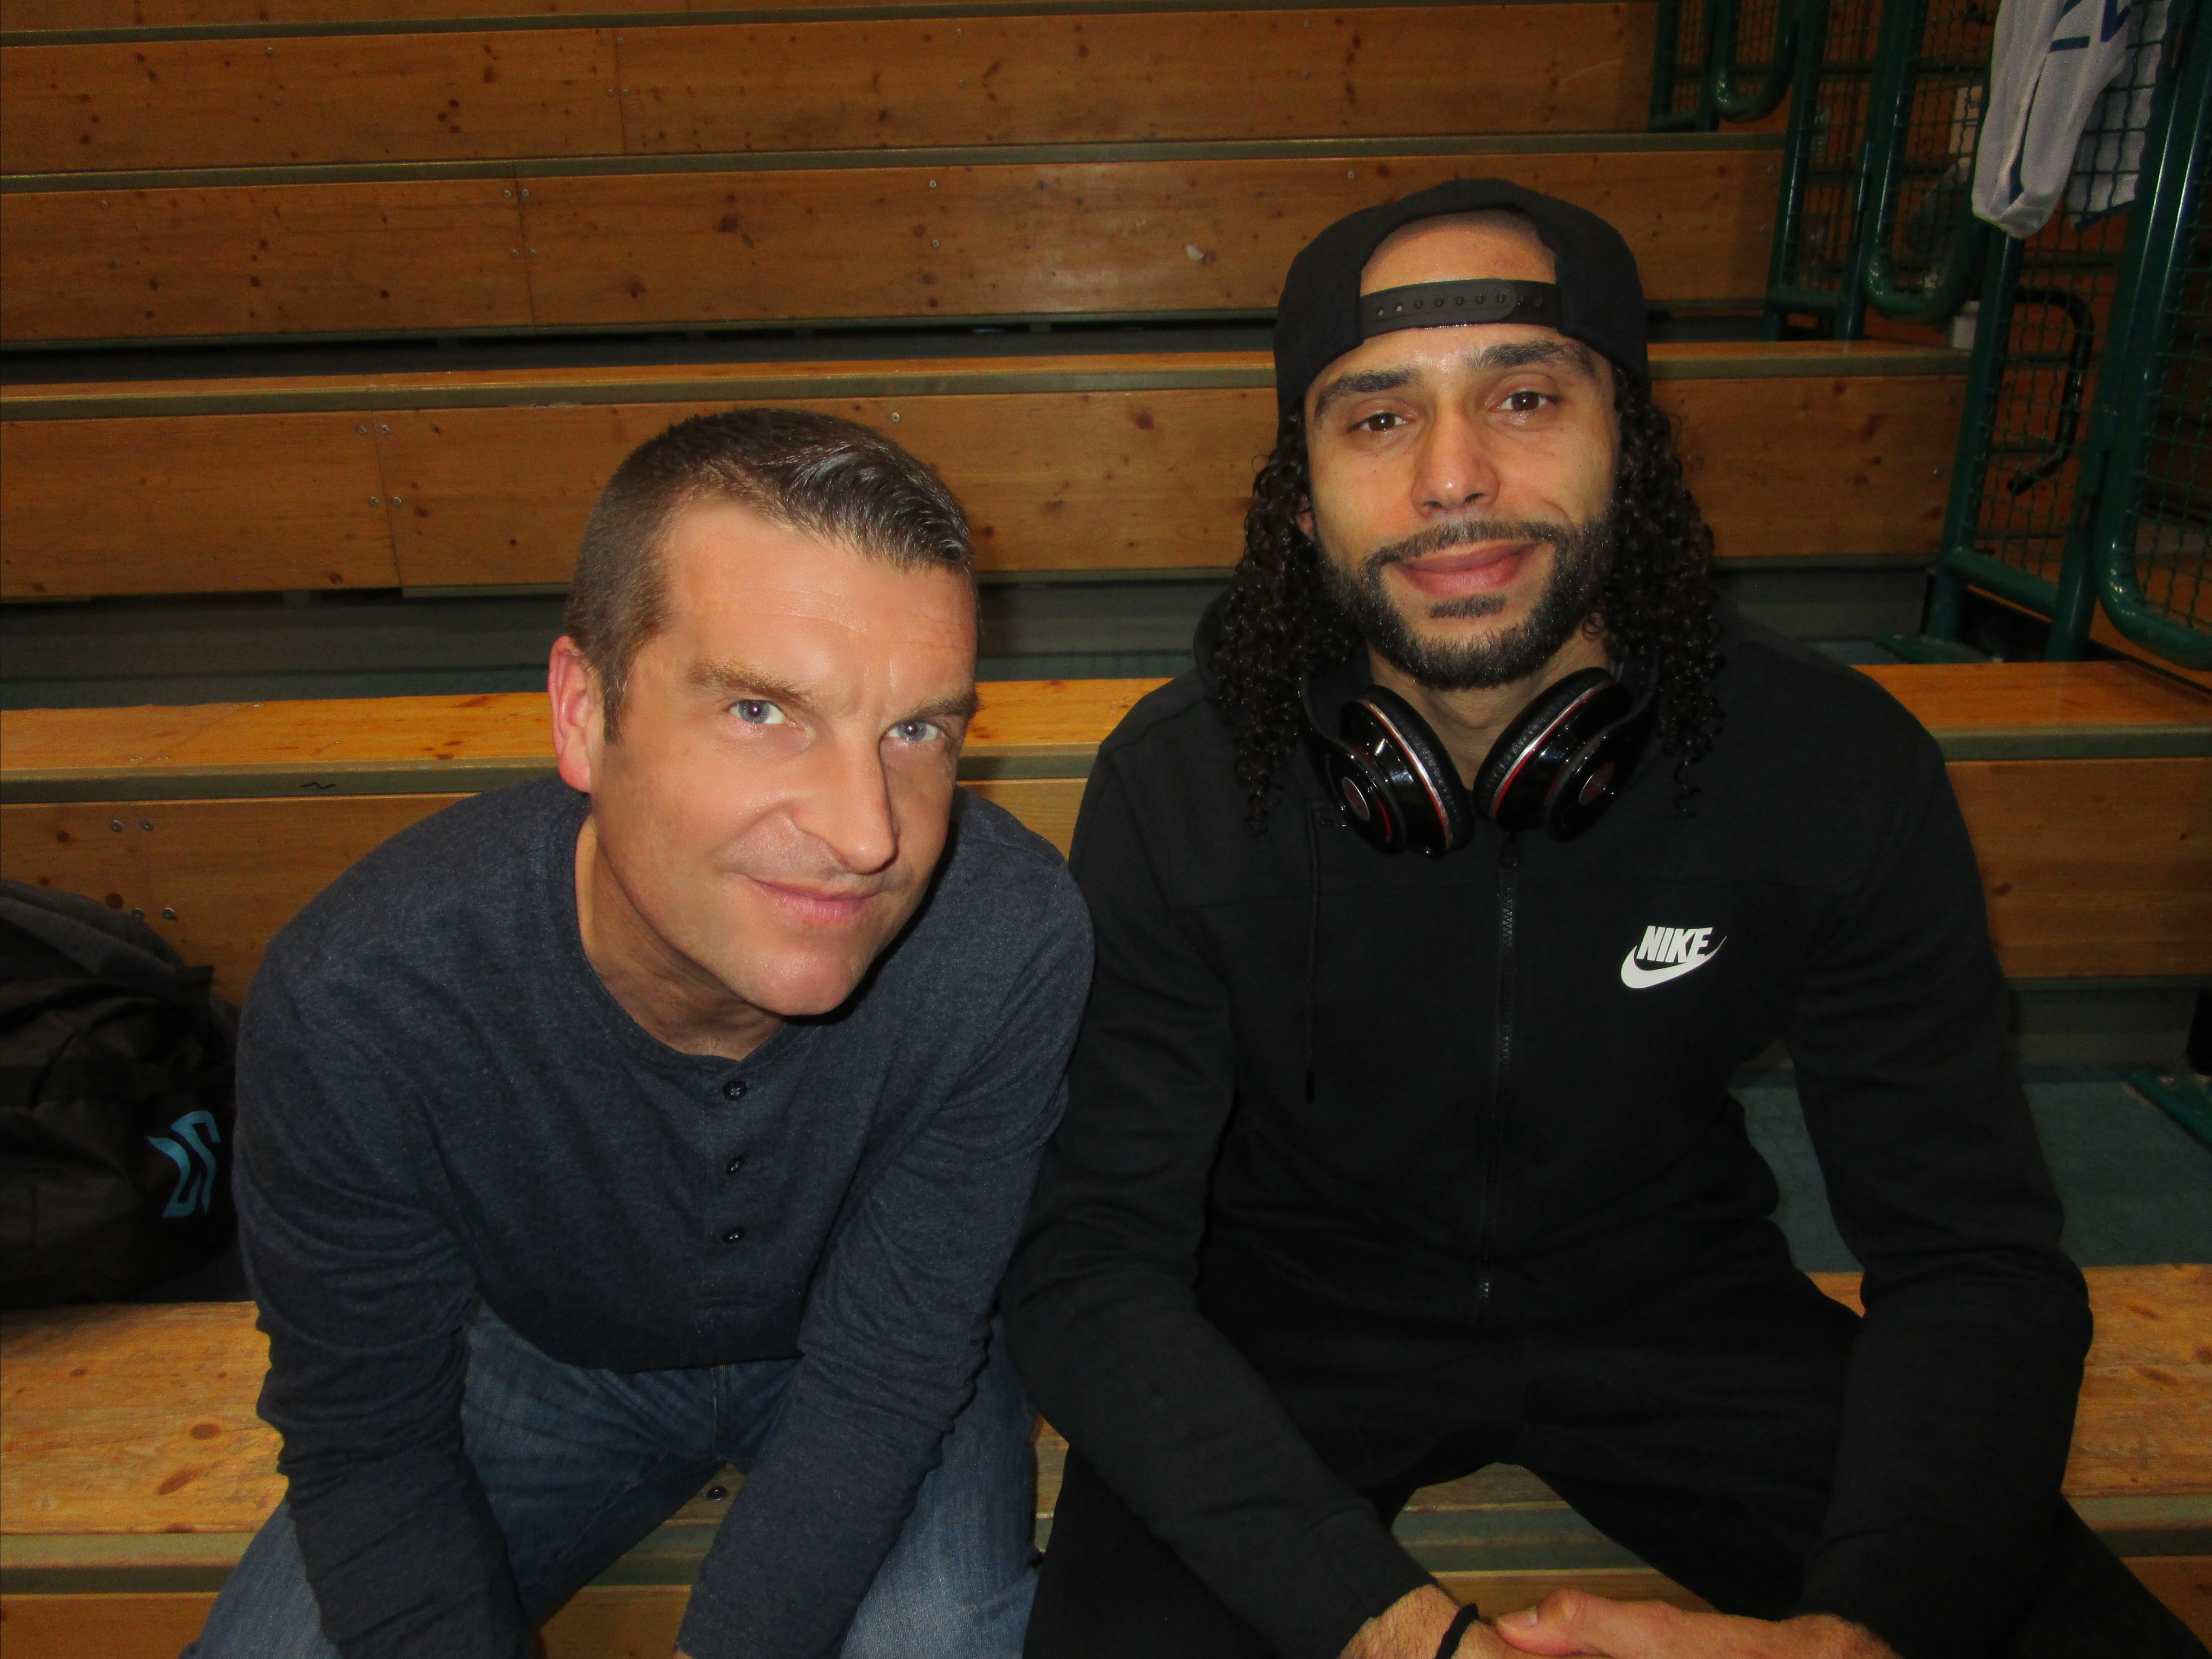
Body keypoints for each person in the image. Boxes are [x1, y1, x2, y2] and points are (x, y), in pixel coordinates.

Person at [1002, 179, 2207, 1659]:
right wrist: (1390, 1629)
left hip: (1681, 1307)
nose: (1453, 476)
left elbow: (1975, 1260)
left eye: (1523, 398)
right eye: (1377, 417)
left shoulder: (1834, 767)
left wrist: (1872, 1629)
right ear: (1299, 492)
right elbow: (1091, 1270)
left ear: (1629, 441)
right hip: (1285, 1320)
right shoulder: (1181, 785)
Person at [187, 408, 1091, 1659]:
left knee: (941, 1636)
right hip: (541, 1352)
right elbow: (370, 1442)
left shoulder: (1005, 940)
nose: (867, 833)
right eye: (762, 711)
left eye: (915, 730)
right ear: (582, 711)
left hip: (881, 1357)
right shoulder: (364, 1001)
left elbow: (890, 1375)